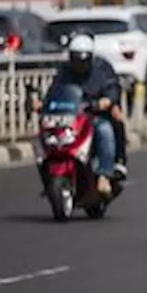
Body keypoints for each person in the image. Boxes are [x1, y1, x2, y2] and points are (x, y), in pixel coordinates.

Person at [46, 34, 126, 195]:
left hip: (93, 115)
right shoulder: (64, 71)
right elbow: (55, 90)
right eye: (76, 60)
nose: (79, 65)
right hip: (71, 117)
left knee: (104, 129)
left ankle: (105, 174)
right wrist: (43, 103)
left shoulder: (102, 68)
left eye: (83, 61)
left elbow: (112, 87)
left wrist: (108, 101)